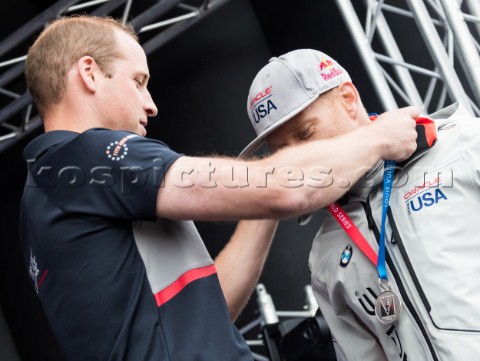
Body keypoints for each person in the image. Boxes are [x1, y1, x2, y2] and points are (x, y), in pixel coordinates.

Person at [20, 16, 418, 361]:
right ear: (88, 73)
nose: (151, 104)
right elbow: (283, 187)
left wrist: (264, 205)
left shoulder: (48, 193)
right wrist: (378, 137)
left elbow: (209, 311)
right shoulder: (80, 159)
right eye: (138, 82)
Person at [242, 48, 480, 361]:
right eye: (282, 150)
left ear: (348, 98)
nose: (299, 157)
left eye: (305, 133)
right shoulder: (325, 254)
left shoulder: (466, 146)